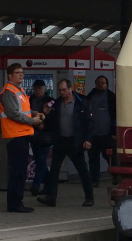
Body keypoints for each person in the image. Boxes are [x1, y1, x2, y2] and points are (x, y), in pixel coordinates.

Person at [39, 79, 95, 207]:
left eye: (64, 89)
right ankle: (51, 197)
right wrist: (46, 115)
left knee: (82, 171)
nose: (62, 92)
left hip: (75, 141)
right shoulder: (57, 104)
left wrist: (88, 139)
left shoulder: (81, 103)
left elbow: (89, 123)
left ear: (70, 89)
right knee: (54, 170)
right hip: (60, 140)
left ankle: (89, 197)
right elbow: (51, 124)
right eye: (60, 90)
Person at [0, 64, 43, 213]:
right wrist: (32, 121)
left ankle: (17, 202)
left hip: (21, 135)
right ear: (10, 75)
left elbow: (22, 110)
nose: (21, 75)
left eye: (22, 73)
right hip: (15, 135)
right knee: (17, 172)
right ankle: (15, 203)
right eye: (17, 73)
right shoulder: (9, 91)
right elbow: (13, 113)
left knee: (20, 171)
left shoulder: (19, 90)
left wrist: (34, 113)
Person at [85, 75, 117, 189]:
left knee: (111, 157)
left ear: (107, 84)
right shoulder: (90, 96)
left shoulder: (112, 97)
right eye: (98, 82)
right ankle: (94, 180)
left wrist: (114, 132)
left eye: (103, 82)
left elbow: (116, 115)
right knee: (93, 159)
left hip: (107, 134)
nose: (100, 84)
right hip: (93, 135)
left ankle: (116, 176)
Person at [28, 80, 55, 198]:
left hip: (45, 137)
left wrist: (45, 126)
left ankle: (35, 186)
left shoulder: (50, 101)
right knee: (41, 162)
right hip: (33, 136)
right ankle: (49, 185)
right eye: (36, 88)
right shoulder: (29, 100)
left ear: (44, 89)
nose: (37, 90)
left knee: (40, 161)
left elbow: (54, 118)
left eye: (40, 88)